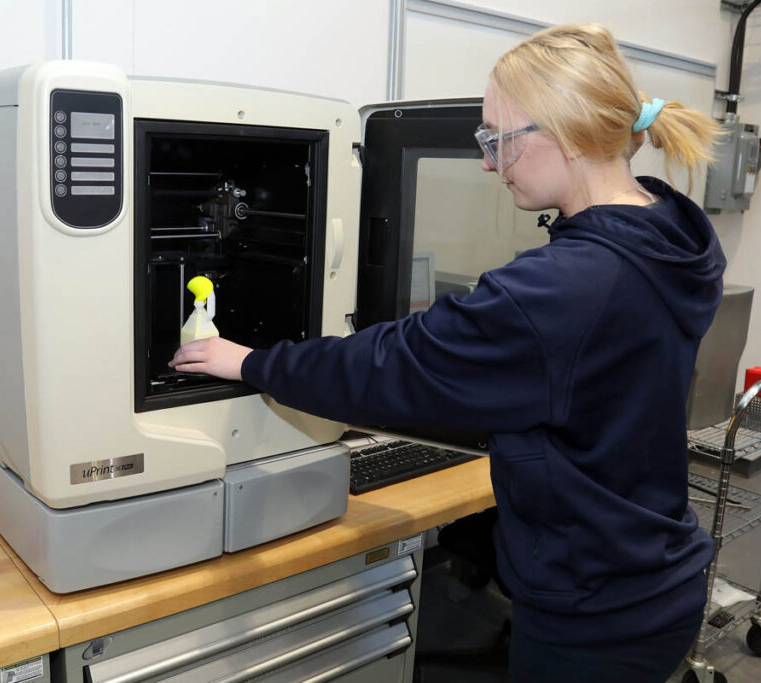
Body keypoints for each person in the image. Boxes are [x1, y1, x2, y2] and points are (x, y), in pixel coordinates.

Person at [170, 23, 724, 683]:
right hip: (661, 572)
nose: (489, 162)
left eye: (498, 139)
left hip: (593, 613)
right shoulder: (668, 231)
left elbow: (391, 366)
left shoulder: (564, 287)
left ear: (569, 134)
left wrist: (248, 362)